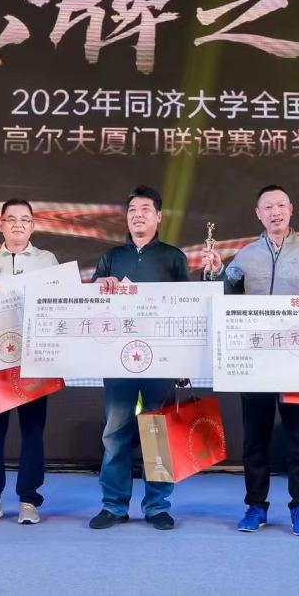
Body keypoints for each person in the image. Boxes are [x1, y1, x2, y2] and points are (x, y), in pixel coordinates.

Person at [203, 185, 299, 536]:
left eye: (281, 205)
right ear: (258, 214)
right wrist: (217, 271)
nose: (275, 212)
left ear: (291, 209)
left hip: (297, 358)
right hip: (255, 357)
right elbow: (225, 294)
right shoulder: (245, 255)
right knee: (255, 438)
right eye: (268, 207)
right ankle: (255, 506)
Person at [88, 185, 189, 531]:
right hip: (118, 358)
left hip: (160, 359)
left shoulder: (174, 257)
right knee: (115, 434)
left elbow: (187, 310)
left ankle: (157, 506)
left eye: (145, 209)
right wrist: (100, 286)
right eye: (132, 210)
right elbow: (92, 304)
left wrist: (182, 360)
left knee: (157, 432)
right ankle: (113, 505)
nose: (138, 215)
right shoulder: (111, 257)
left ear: (158, 216)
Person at [0, 199, 58, 526]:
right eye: (11, 219)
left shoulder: (47, 260)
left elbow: (58, 305)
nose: (18, 224)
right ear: (0, 224)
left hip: (34, 359)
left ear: (33, 225)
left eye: (25, 219)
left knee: (33, 431)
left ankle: (29, 501)